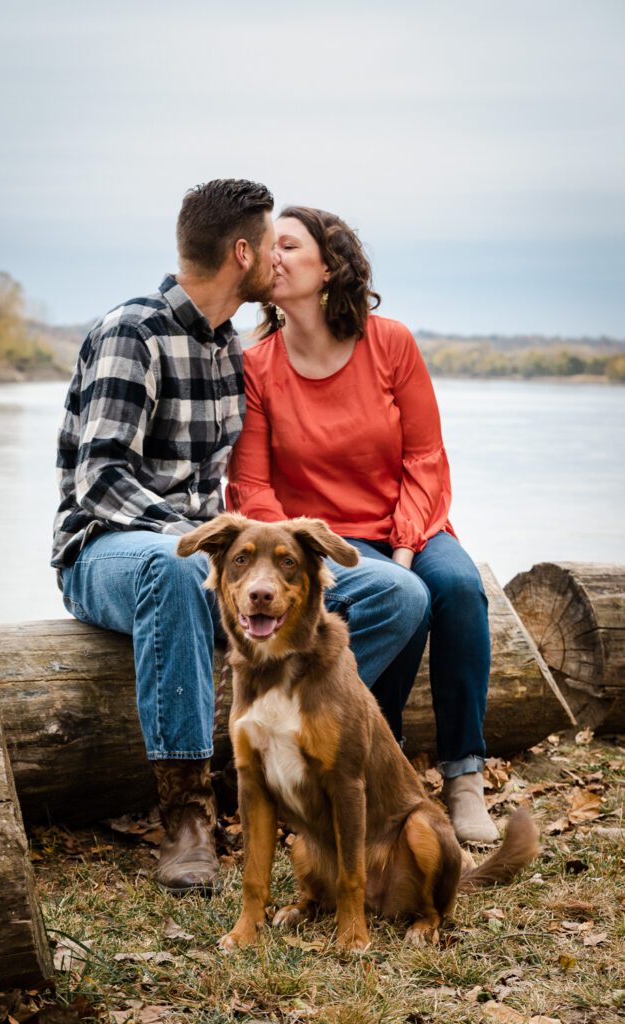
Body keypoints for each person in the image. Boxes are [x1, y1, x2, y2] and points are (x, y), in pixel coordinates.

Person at [51, 180, 429, 896]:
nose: (277, 267)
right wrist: (201, 545)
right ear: (243, 253)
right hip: (106, 551)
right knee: (170, 571)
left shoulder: (231, 349)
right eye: (270, 248)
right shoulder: (131, 333)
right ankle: (189, 814)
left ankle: (262, 753)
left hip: (207, 552)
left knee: (396, 593)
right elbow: (97, 482)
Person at [226, 205, 499, 844]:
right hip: (321, 543)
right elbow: (255, 489)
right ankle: (381, 750)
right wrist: (292, 548)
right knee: (403, 598)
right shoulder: (256, 366)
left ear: (329, 268)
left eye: (288, 246)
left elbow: (426, 455)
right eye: (271, 247)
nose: (274, 257)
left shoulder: (393, 342)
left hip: (413, 522)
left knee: (456, 589)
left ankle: (464, 778)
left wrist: (405, 542)